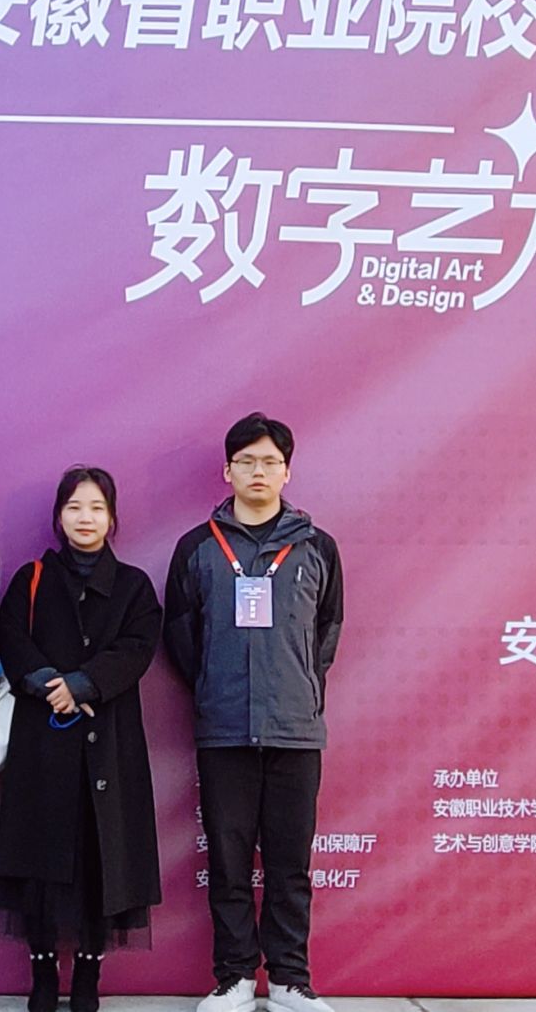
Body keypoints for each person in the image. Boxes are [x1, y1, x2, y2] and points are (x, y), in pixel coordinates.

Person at [162, 413, 344, 1012]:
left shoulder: (317, 548)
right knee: (229, 859)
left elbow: (327, 630)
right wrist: (216, 685)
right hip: (225, 730)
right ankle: (235, 977)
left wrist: (298, 686)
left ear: (287, 471)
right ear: (227, 470)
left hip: (295, 730)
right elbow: (181, 634)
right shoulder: (197, 548)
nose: (258, 471)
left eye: (270, 461)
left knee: (290, 863)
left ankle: (290, 980)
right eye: (246, 461)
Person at [0, 467, 162, 1012]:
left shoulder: (134, 586)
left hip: (107, 743)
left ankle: (88, 974)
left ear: (112, 517)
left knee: (99, 858)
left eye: (96, 508)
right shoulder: (32, 578)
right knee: (39, 859)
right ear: (58, 517)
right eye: (74, 507)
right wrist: (51, 685)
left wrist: (85, 684)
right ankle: (42, 974)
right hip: (42, 742)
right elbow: (11, 639)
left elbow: (138, 647)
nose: (85, 518)